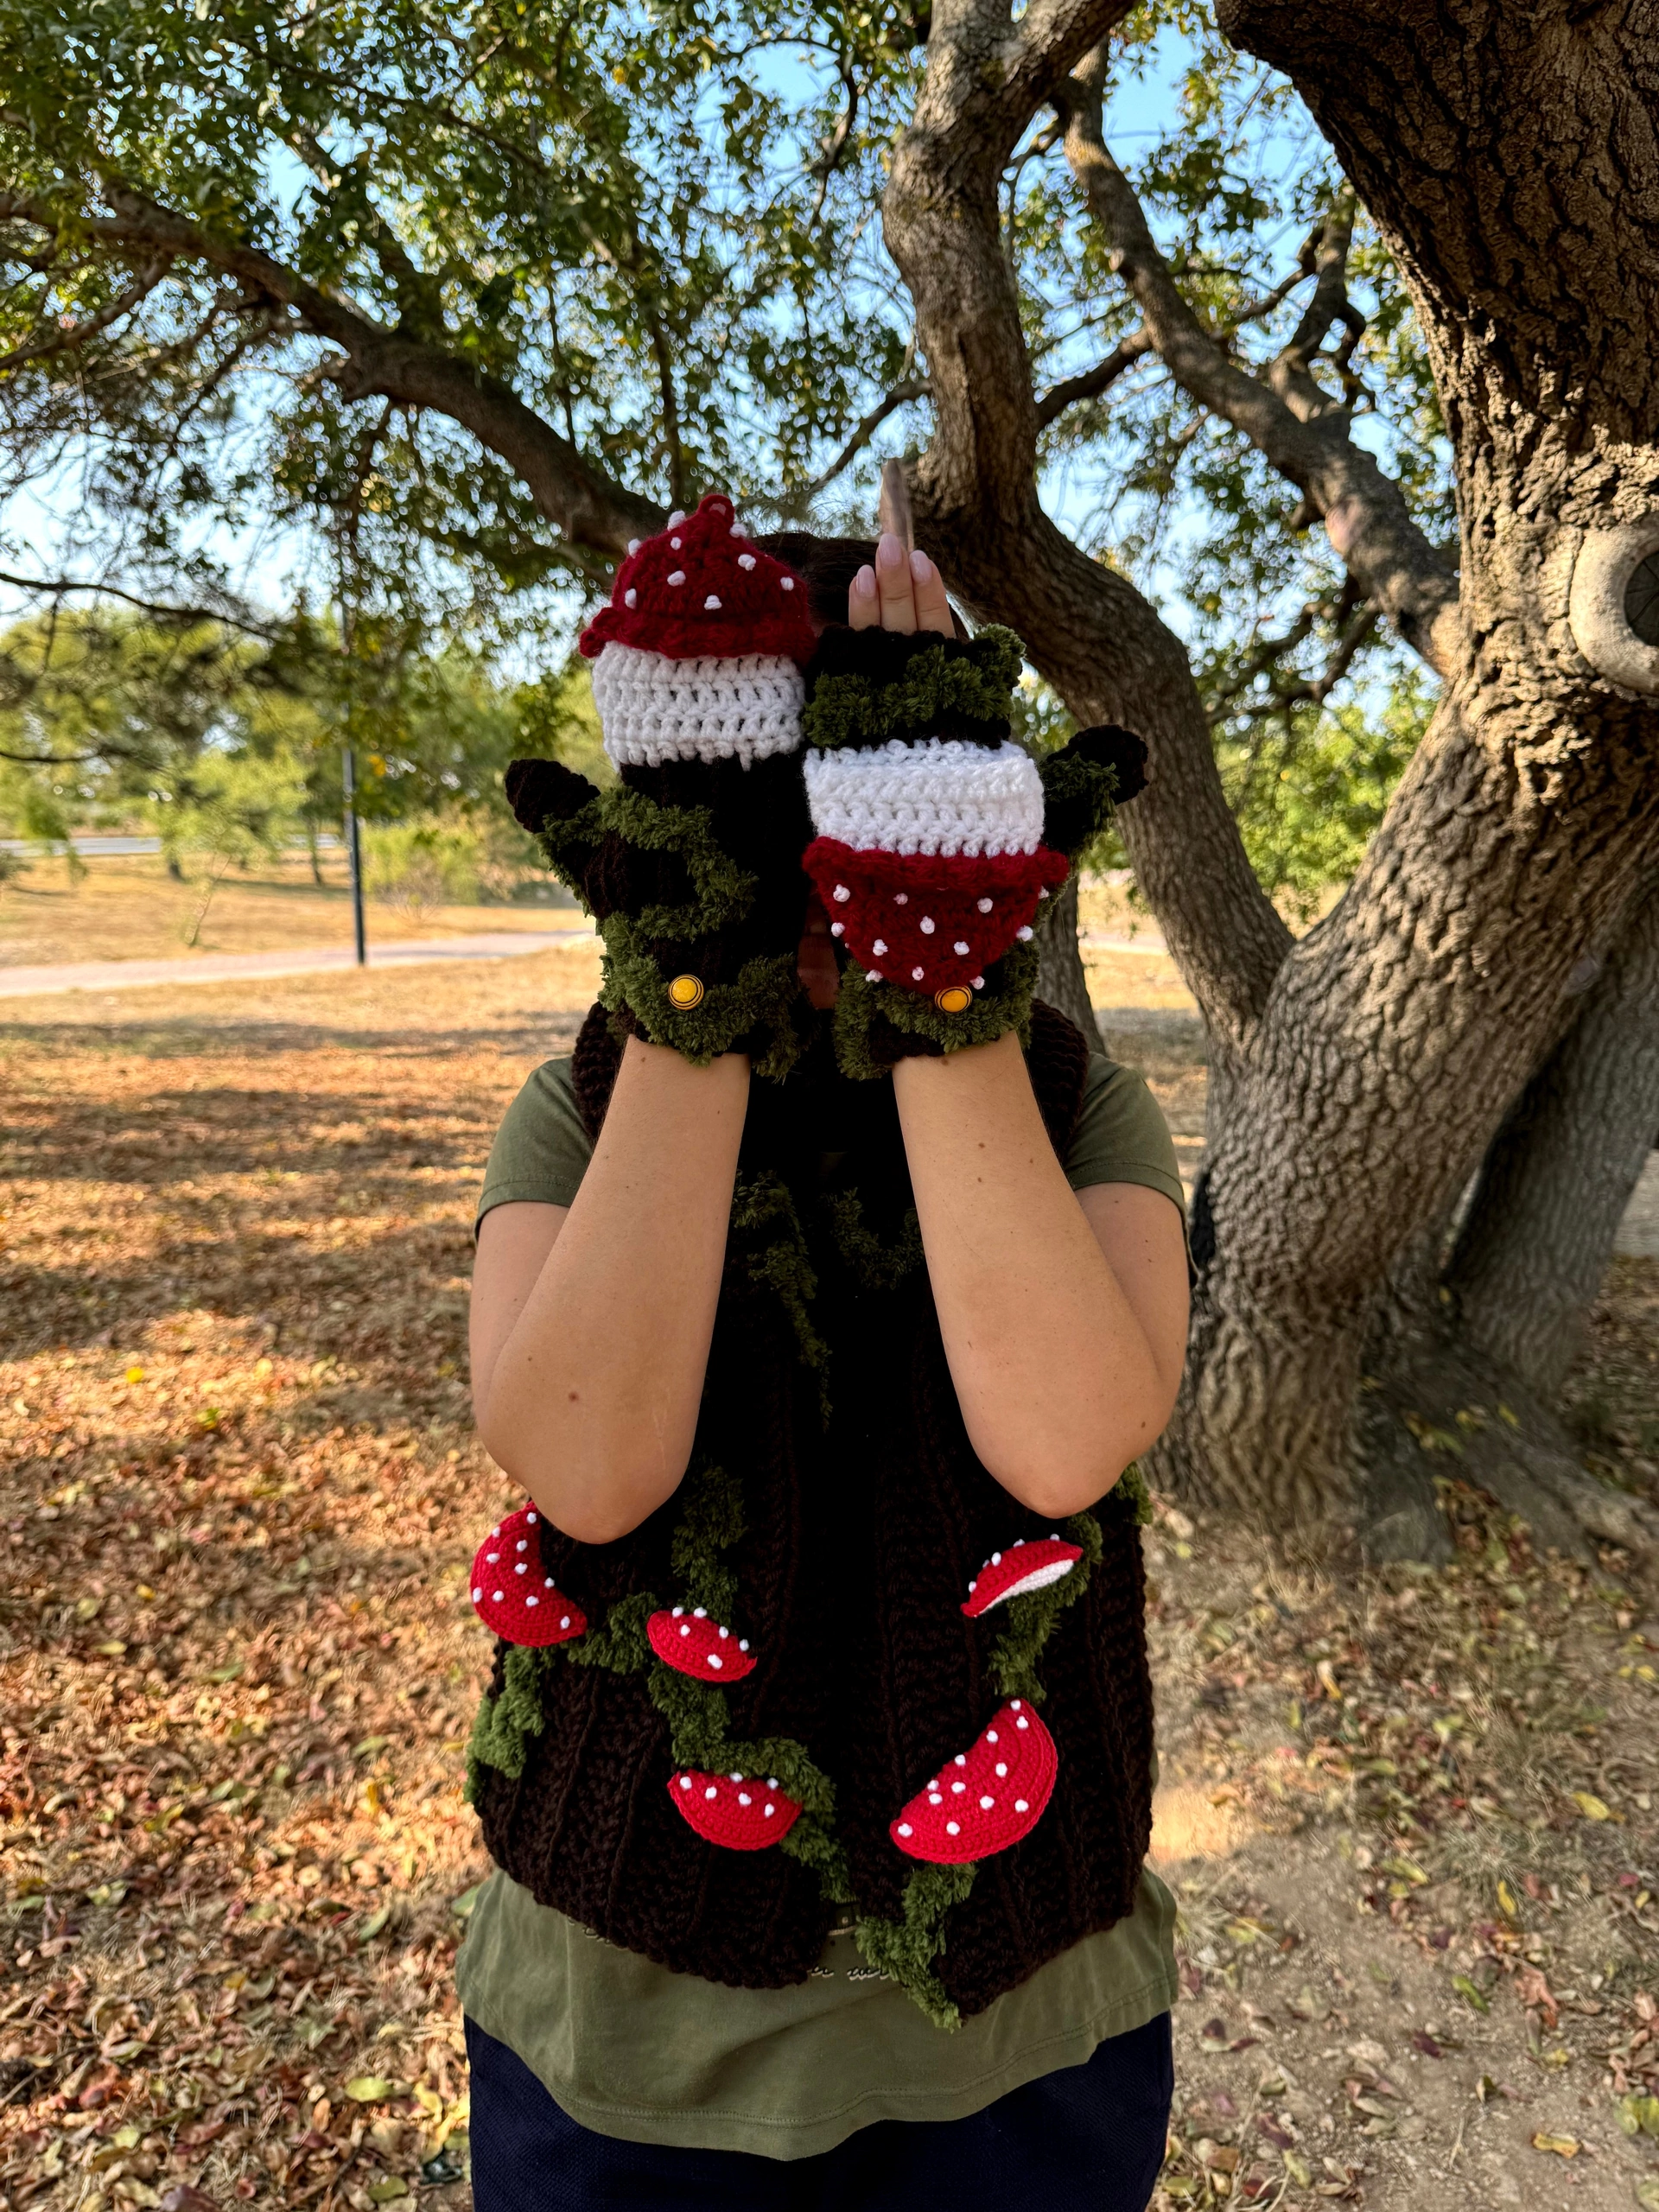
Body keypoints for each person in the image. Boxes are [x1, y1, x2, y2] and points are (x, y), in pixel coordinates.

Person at [458, 497, 1191, 2210]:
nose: (810, 876)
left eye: (864, 813)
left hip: (1019, 2033)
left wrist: (933, 982)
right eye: (758, 820)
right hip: (621, 2032)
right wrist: (700, 996)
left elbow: (1063, 1440)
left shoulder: (1085, 1110)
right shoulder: (581, 1105)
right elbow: (589, 1463)